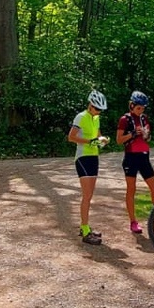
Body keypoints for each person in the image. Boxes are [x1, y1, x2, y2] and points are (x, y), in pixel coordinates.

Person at [118, 91, 154, 234]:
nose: (141, 110)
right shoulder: (125, 119)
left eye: (143, 108)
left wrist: (146, 135)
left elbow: (148, 137)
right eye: (138, 108)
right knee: (131, 190)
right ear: (132, 105)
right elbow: (119, 140)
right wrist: (133, 133)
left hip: (144, 157)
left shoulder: (144, 118)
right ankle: (133, 222)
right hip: (131, 157)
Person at [68, 90, 110, 244]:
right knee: (86, 195)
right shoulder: (81, 117)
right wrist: (90, 141)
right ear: (90, 105)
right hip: (83, 158)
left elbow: (97, 135)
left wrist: (102, 140)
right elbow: (71, 137)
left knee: (90, 195)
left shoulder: (96, 118)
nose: (98, 112)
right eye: (97, 108)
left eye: (100, 110)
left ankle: (84, 225)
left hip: (94, 157)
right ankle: (85, 230)